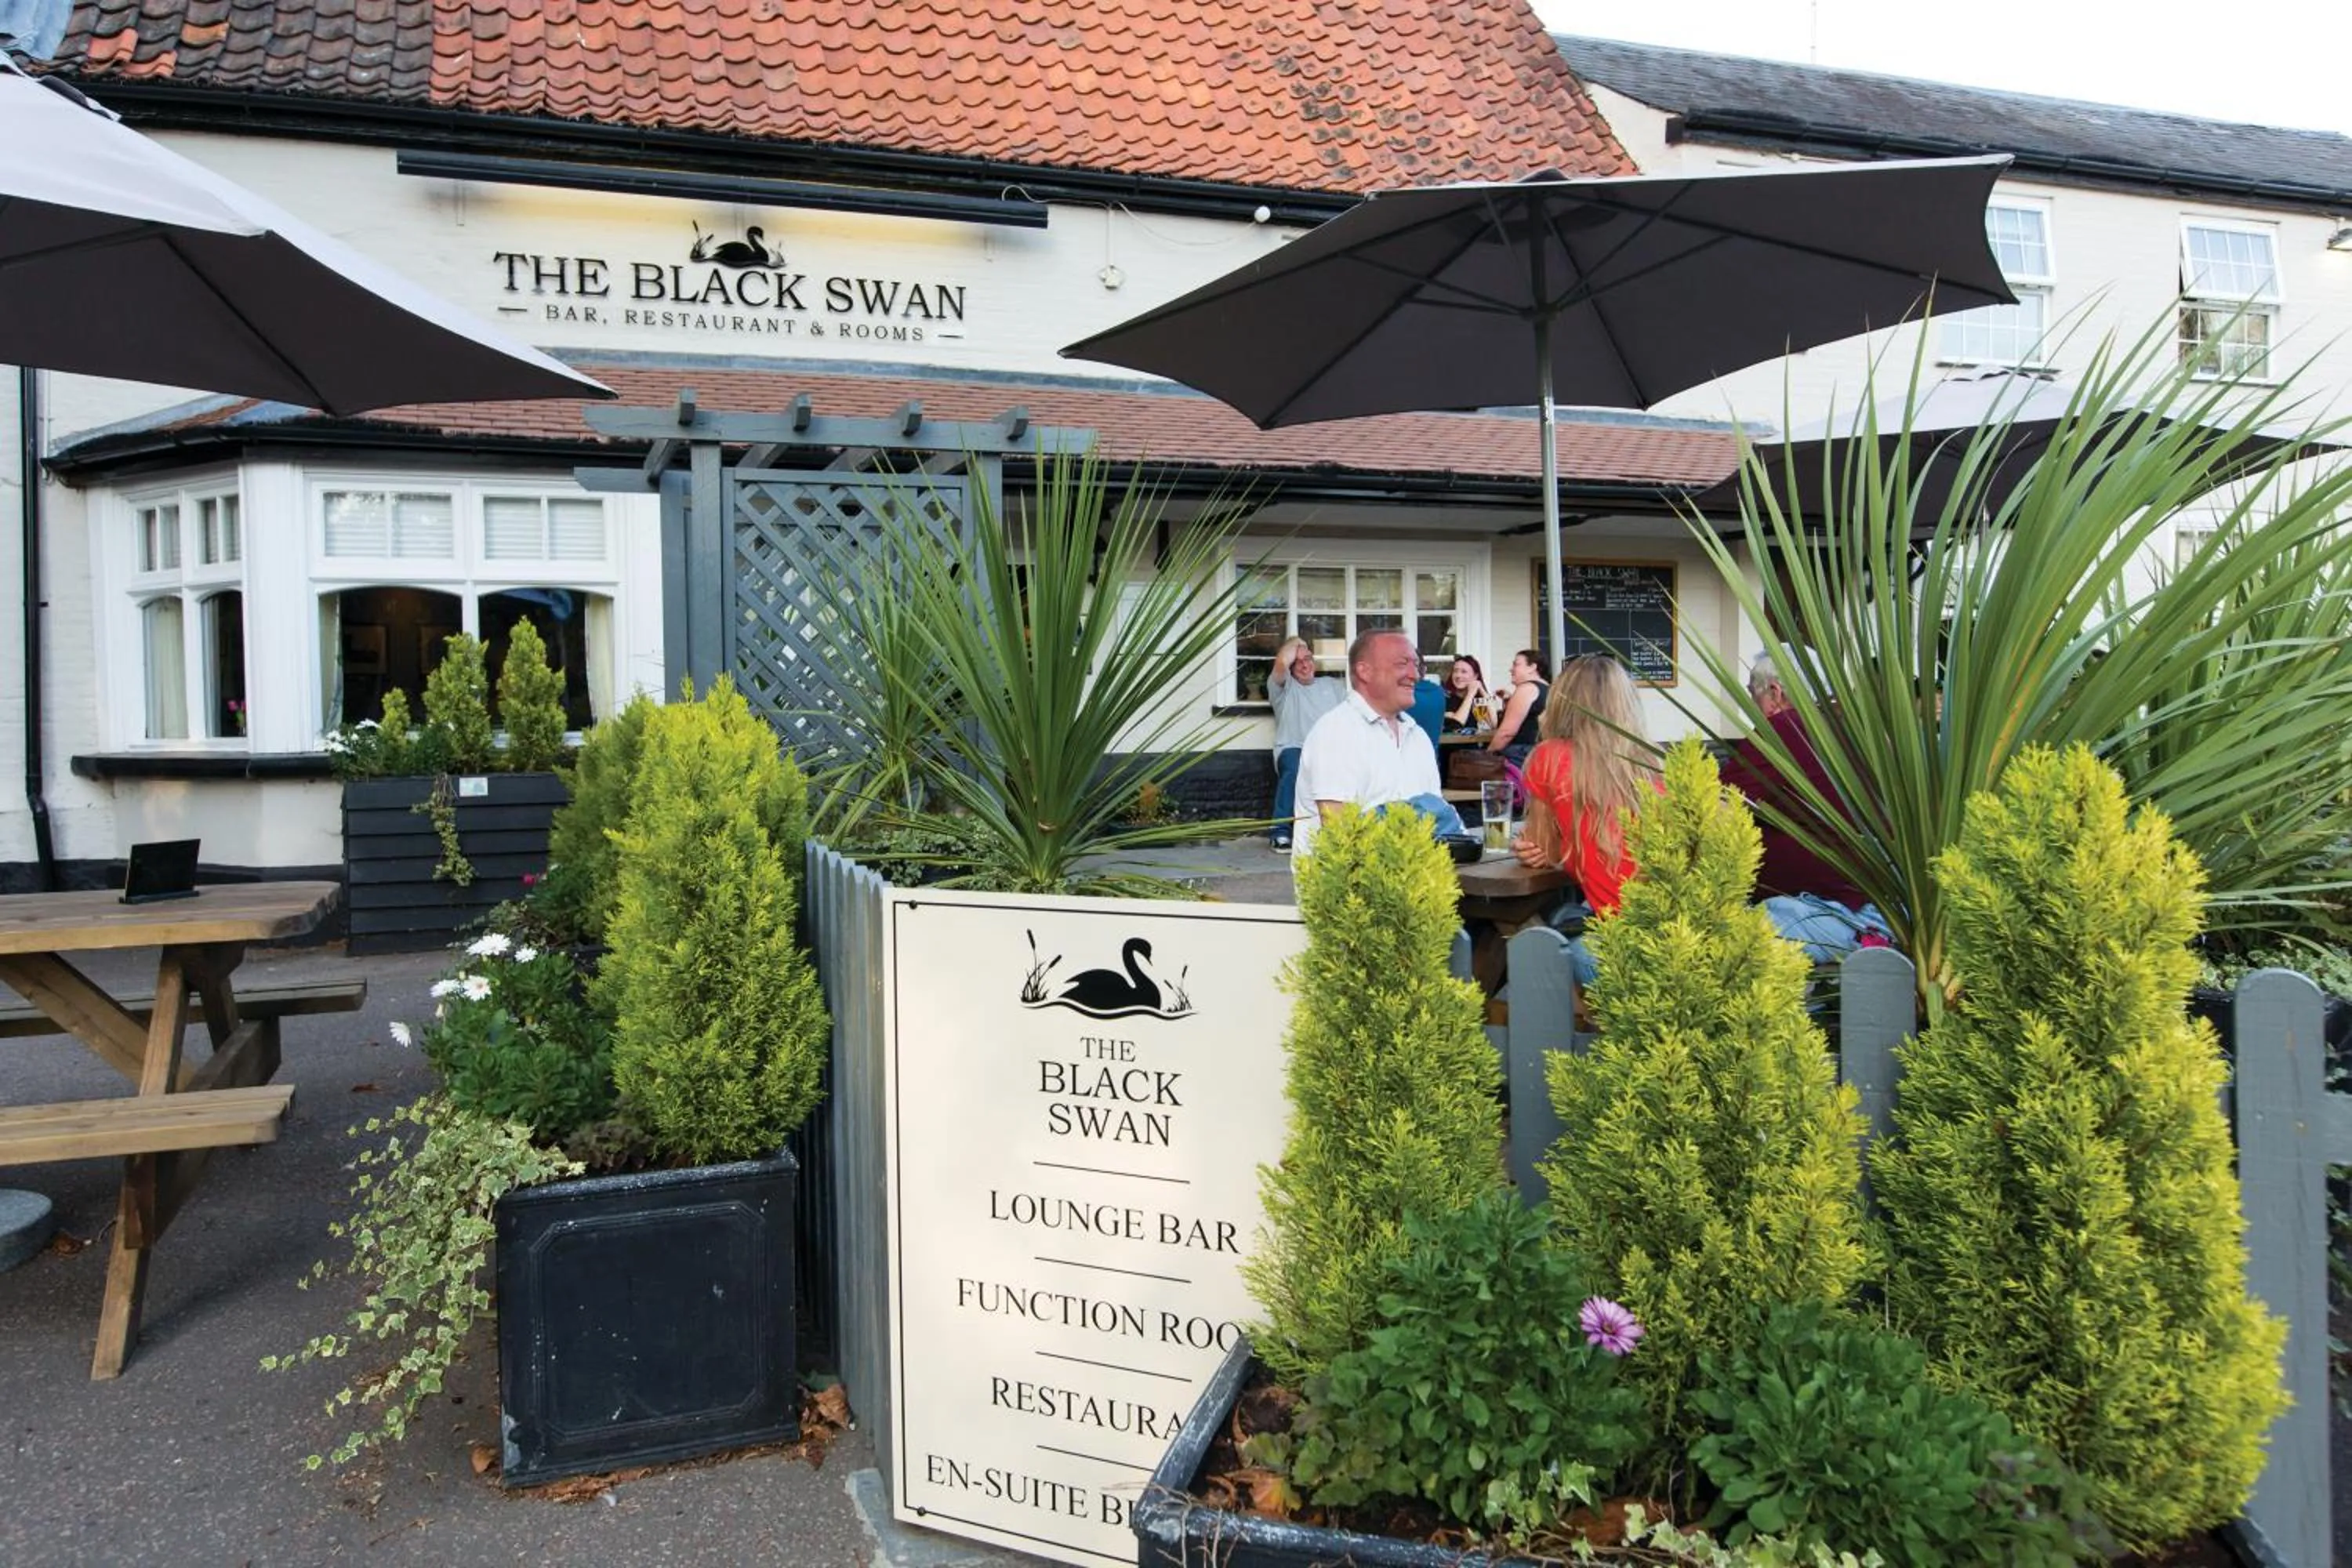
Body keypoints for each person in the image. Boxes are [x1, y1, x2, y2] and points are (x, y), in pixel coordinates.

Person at [1719, 652, 1892, 962]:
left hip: (1819, 913)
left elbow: (1716, 809)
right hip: (1877, 906)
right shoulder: (1851, 731)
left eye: (1753, 698)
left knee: (1712, 941)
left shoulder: (1784, 729)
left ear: (1774, 693)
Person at [1512, 653, 1660, 984]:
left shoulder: (1551, 757)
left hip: (1619, 942)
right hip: (1677, 935)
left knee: (1553, 928)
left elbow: (1542, 847)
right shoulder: (1655, 762)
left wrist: (1537, 847)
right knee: (1570, 916)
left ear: (1563, 701)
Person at [1292, 628, 1443, 860]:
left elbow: (1438, 820)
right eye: (1402, 664)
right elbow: (1341, 837)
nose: (1415, 675)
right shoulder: (1337, 732)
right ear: (1364, 671)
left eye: (1417, 665)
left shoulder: (1417, 736)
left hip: (1415, 885)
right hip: (1348, 892)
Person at [1265, 636, 1345, 853]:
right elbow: (1281, 662)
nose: (1304, 665)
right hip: (1294, 747)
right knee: (1295, 768)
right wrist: (1298, 642)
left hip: (1329, 750)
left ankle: (1343, 830)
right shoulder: (1283, 688)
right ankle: (1280, 831)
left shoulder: (1333, 686)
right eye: (1297, 661)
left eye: (1308, 659)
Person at [1486, 648, 1549, 766]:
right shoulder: (1548, 689)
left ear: (1532, 667)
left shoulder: (1526, 689)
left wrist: (1487, 756)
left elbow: (1507, 733)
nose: (1511, 669)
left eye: (1516, 664)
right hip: (1540, 755)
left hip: (1519, 755)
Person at [1443, 655, 1492, 731]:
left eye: (1464, 672)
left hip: (1479, 743)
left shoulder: (1479, 702)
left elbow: (1492, 724)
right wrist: (1470, 694)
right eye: (1455, 671)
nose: (1458, 675)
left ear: (1475, 676)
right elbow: (1455, 726)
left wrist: (1482, 690)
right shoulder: (1446, 699)